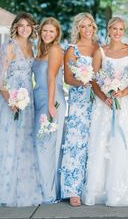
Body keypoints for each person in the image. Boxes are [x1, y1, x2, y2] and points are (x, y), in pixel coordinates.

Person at [84, 17, 128, 206]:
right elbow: (93, 79)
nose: (117, 32)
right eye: (114, 29)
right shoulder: (100, 52)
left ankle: (123, 191)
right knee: (102, 144)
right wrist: (105, 97)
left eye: (121, 29)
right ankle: (100, 190)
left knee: (124, 144)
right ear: (108, 30)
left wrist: (125, 91)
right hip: (104, 105)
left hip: (125, 104)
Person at [0, 12, 42, 206]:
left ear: (32, 28)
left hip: (29, 100)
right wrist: (11, 102)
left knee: (25, 142)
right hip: (12, 100)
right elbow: (0, 80)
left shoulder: (31, 46)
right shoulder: (9, 46)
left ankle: (24, 187)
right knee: (10, 142)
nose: (24, 29)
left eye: (28, 26)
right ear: (15, 27)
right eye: (21, 25)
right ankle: (7, 190)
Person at [60, 13, 98, 207]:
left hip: (98, 102)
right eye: (83, 26)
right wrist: (84, 82)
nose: (87, 29)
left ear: (94, 27)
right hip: (79, 103)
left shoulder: (100, 48)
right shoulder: (71, 50)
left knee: (95, 144)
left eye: (90, 25)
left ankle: (91, 187)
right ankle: (72, 189)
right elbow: (68, 78)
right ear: (78, 29)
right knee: (76, 143)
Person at [33, 17, 66, 203]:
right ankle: (42, 189)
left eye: (51, 32)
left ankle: (50, 193)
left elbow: (52, 78)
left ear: (57, 34)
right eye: (45, 31)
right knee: (42, 145)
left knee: (47, 146)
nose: (47, 34)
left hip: (51, 100)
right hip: (39, 99)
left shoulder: (55, 49)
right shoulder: (40, 50)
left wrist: (51, 104)